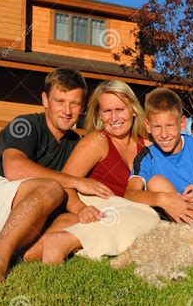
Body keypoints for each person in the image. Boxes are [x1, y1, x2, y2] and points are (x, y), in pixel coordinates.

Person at [0, 67, 114, 283]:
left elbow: (70, 194)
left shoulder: (75, 144)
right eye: (59, 101)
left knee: (72, 221)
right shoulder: (27, 125)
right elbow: (15, 170)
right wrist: (77, 181)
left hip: (17, 220)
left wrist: (82, 210)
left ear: (83, 106)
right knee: (51, 188)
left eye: (75, 103)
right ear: (45, 100)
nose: (67, 110)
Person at [36, 80, 160, 264]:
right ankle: (64, 241)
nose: (114, 117)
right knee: (150, 218)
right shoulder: (98, 141)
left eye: (120, 109)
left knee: (148, 217)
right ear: (100, 115)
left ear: (133, 110)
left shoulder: (147, 146)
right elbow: (64, 182)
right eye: (107, 111)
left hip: (126, 209)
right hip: (97, 203)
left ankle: (70, 234)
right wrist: (81, 208)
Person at [125, 88, 193, 223]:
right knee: (155, 182)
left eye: (170, 125)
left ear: (182, 123)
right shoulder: (147, 157)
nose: (164, 134)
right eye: (157, 127)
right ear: (148, 126)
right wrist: (162, 199)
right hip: (181, 220)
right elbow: (130, 194)